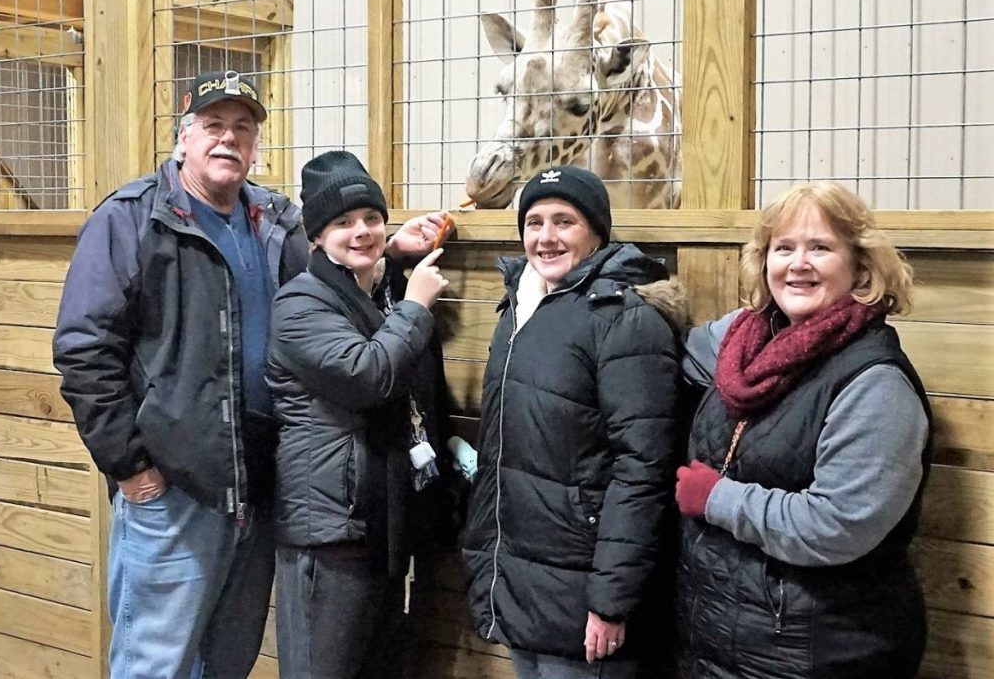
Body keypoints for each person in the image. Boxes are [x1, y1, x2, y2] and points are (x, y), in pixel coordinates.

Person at [53, 71, 449, 679]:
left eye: (243, 129)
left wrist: (388, 248)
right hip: (178, 484)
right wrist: (130, 465)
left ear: (256, 144)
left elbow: (332, 261)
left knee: (230, 658)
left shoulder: (275, 219)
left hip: (260, 482)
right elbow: (84, 349)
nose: (228, 140)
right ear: (184, 139)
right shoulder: (133, 219)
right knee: (157, 661)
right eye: (213, 126)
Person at [674, 181, 931, 678]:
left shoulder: (875, 382)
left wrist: (718, 498)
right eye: (783, 247)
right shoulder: (743, 342)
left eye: (821, 248)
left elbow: (838, 524)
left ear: (860, 266)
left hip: (821, 649)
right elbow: (674, 349)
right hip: (727, 640)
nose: (798, 263)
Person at [460, 165, 686, 679]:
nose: (546, 237)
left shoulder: (626, 319)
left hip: (586, 592)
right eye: (534, 221)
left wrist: (611, 598)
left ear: (597, 233)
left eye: (564, 221)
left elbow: (643, 467)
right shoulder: (519, 311)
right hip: (525, 581)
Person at [266, 150, 454, 679]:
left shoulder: (371, 289)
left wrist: (392, 259)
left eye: (371, 218)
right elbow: (368, 375)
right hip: (326, 531)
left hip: (374, 521)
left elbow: (369, 313)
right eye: (343, 223)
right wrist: (416, 304)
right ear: (316, 238)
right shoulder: (298, 305)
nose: (361, 231)